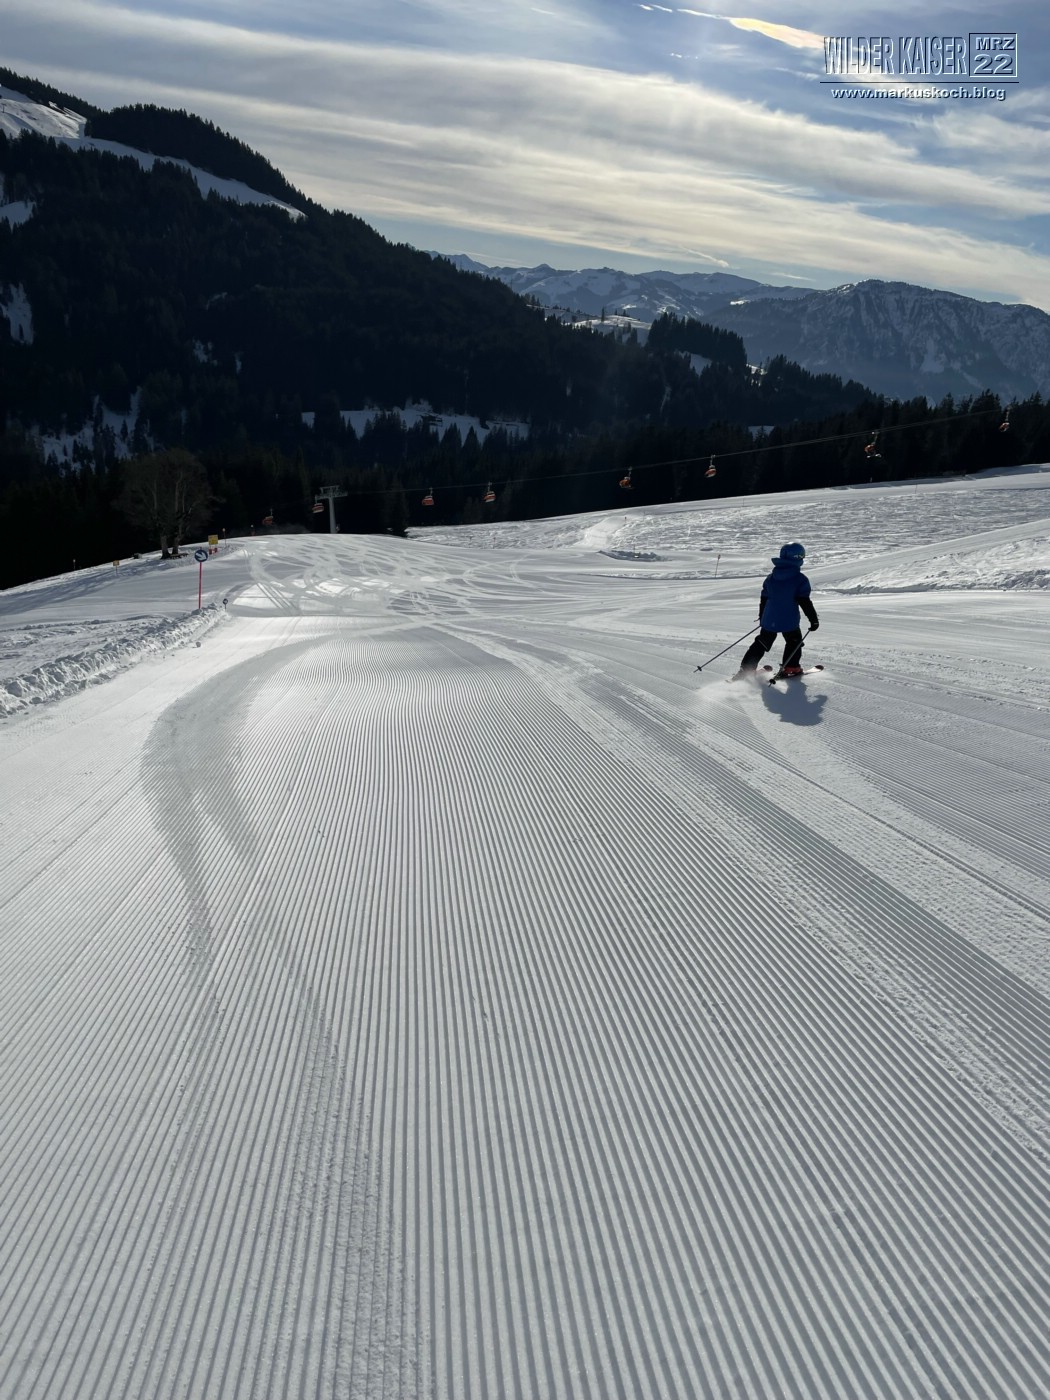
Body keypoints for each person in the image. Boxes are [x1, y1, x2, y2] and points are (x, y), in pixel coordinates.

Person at [733, 542, 819, 679]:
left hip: (769, 618)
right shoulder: (800, 579)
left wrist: (762, 616)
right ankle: (791, 668)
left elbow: (764, 598)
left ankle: (746, 670)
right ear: (798, 557)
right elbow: (804, 601)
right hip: (789, 619)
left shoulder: (771, 577)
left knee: (761, 642)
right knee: (794, 641)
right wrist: (813, 619)